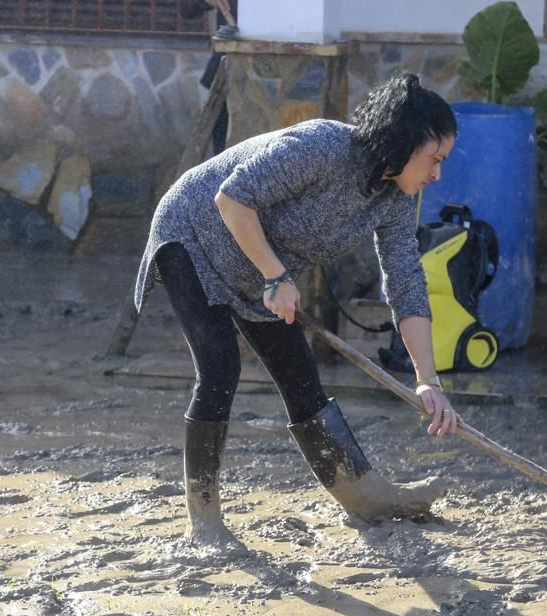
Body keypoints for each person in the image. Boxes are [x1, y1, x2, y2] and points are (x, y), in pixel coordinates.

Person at [133, 72, 459, 552]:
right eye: (434, 160)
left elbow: (406, 284)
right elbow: (232, 198)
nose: (436, 174)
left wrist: (427, 379)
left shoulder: (393, 201)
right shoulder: (323, 147)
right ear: (403, 142)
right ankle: (203, 521)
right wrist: (277, 277)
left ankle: (366, 498)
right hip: (193, 235)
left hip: (259, 269)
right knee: (220, 367)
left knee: (301, 377)